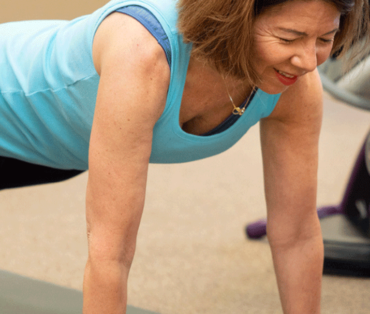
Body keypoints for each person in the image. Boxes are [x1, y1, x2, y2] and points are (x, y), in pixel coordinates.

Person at [0, 0, 368, 313]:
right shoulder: (143, 52)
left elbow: (297, 234)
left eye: (325, 38)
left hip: (53, 151)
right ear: (235, 20)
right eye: (289, 37)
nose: (307, 60)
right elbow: (110, 252)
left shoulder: (294, 82)